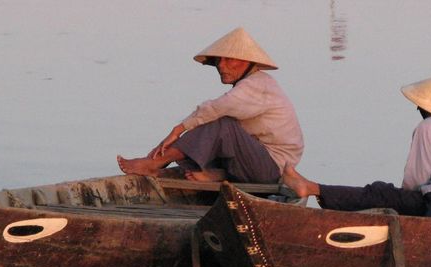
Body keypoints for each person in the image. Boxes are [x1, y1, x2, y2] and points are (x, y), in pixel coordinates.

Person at [117, 27, 303, 184]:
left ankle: (156, 163)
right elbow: (213, 114)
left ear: (247, 62)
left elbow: (218, 107)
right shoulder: (250, 85)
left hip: (273, 169)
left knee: (222, 124)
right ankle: (208, 173)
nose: (221, 65)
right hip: (255, 161)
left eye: (229, 59)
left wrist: (178, 129)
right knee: (215, 123)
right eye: (219, 60)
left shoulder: (258, 85)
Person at [283, 73, 431, 218]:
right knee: (380, 193)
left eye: (420, 106)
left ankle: (314, 189)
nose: (418, 109)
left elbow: (416, 177)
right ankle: (312, 188)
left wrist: (402, 199)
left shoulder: (430, 125)